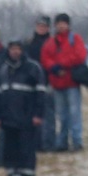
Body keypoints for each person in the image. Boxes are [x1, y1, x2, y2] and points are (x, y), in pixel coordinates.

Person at [0, 40, 46, 176]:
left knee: (27, 151)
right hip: (8, 121)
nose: (15, 52)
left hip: (27, 119)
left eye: (17, 49)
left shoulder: (33, 68)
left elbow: (40, 93)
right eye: (12, 49)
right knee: (10, 151)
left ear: (22, 51)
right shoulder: (3, 70)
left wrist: (38, 114)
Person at [40, 13, 88, 152]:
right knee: (61, 115)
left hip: (72, 83)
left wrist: (60, 64)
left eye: (64, 23)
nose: (61, 25)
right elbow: (45, 58)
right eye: (59, 23)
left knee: (74, 113)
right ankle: (62, 142)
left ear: (68, 25)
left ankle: (77, 141)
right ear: (55, 25)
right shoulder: (50, 42)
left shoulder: (75, 39)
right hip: (57, 84)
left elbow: (80, 56)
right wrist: (53, 67)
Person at [28, 15, 58, 151]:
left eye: (44, 26)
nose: (41, 28)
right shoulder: (28, 43)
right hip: (32, 84)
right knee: (33, 115)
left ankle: (49, 143)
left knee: (48, 115)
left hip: (48, 83)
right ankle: (36, 143)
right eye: (39, 25)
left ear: (48, 28)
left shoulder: (53, 42)